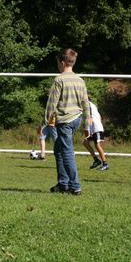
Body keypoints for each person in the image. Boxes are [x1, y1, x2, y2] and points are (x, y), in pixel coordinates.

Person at [46, 48, 90, 195]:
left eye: (58, 62)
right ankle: (63, 184)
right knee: (58, 150)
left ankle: (75, 186)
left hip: (65, 121)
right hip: (76, 119)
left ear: (63, 62)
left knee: (67, 153)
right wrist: (86, 123)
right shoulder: (80, 80)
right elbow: (86, 103)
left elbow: (52, 103)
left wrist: (47, 119)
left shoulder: (59, 79)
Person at [82, 94, 109, 170]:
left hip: (96, 128)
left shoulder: (89, 106)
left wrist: (89, 131)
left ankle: (105, 164)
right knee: (85, 143)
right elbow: (99, 116)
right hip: (94, 128)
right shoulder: (92, 105)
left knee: (97, 145)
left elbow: (89, 119)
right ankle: (96, 160)